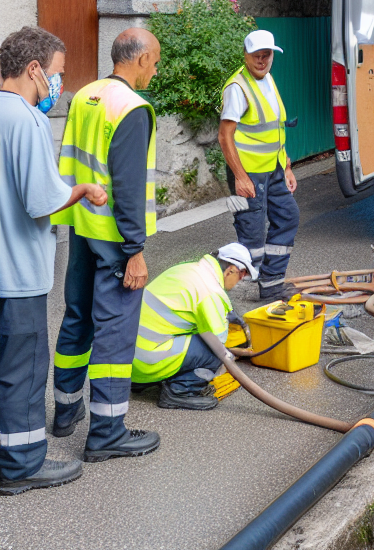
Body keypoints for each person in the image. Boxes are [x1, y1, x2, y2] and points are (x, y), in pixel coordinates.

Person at [0, 27, 107, 494]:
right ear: (34, 70)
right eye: (58, 74)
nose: (59, 86)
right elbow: (41, 200)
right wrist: (82, 190)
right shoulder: (24, 119)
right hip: (19, 271)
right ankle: (21, 465)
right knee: (23, 374)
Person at [52, 28, 161, 462]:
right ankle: (107, 431)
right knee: (115, 332)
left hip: (81, 228)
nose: (155, 69)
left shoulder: (86, 95)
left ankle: (65, 411)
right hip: (116, 239)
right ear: (138, 60)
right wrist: (135, 249)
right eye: (154, 60)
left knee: (77, 315)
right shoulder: (132, 108)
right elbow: (128, 186)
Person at [218, 29, 299, 301]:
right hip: (248, 174)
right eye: (256, 56)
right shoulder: (237, 88)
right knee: (251, 237)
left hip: (273, 170)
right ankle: (220, 290)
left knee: (288, 217)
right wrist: (240, 177)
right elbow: (224, 135)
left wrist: (286, 167)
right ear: (246, 55)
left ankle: (271, 285)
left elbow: (275, 130)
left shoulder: (269, 80)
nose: (262, 61)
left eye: (266, 55)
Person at [132, 243, 258, 408]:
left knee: (189, 336)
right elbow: (219, 343)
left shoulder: (188, 269)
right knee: (214, 352)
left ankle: (145, 381)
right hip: (148, 361)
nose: (241, 280)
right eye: (242, 274)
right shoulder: (211, 292)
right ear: (231, 270)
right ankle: (180, 392)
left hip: (127, 359)